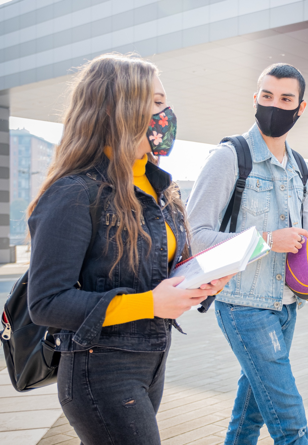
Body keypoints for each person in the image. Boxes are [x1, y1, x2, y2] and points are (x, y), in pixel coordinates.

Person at [26, 53, 232, 445]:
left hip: (153, 361)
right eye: (156, 102)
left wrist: (201, 280)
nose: (166, 113)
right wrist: (150, 304)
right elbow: (47, 302)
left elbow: (161, 272)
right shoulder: (74, 192)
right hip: (99, 369)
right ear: (120, 107)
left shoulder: (162, 188)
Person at [187, 63, 308, 445]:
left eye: (285, 99)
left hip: (286, 305)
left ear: (300, 108)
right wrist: (265, 240)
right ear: (255, 99)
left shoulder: (302, 169)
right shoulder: (229, 157)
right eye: (267, 97)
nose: (274, 106)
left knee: (251, 414)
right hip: (242, 304)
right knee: (290, 421)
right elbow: (196, 239)